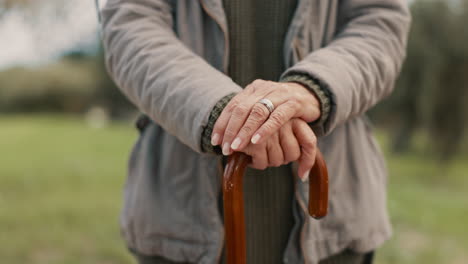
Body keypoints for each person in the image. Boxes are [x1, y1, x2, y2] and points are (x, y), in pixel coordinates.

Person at [100, 0, 410, 263]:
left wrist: (310, 91)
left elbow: (379, 24)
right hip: (182, 219)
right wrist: (222, 110)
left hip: (336, 219)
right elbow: (132, 25)